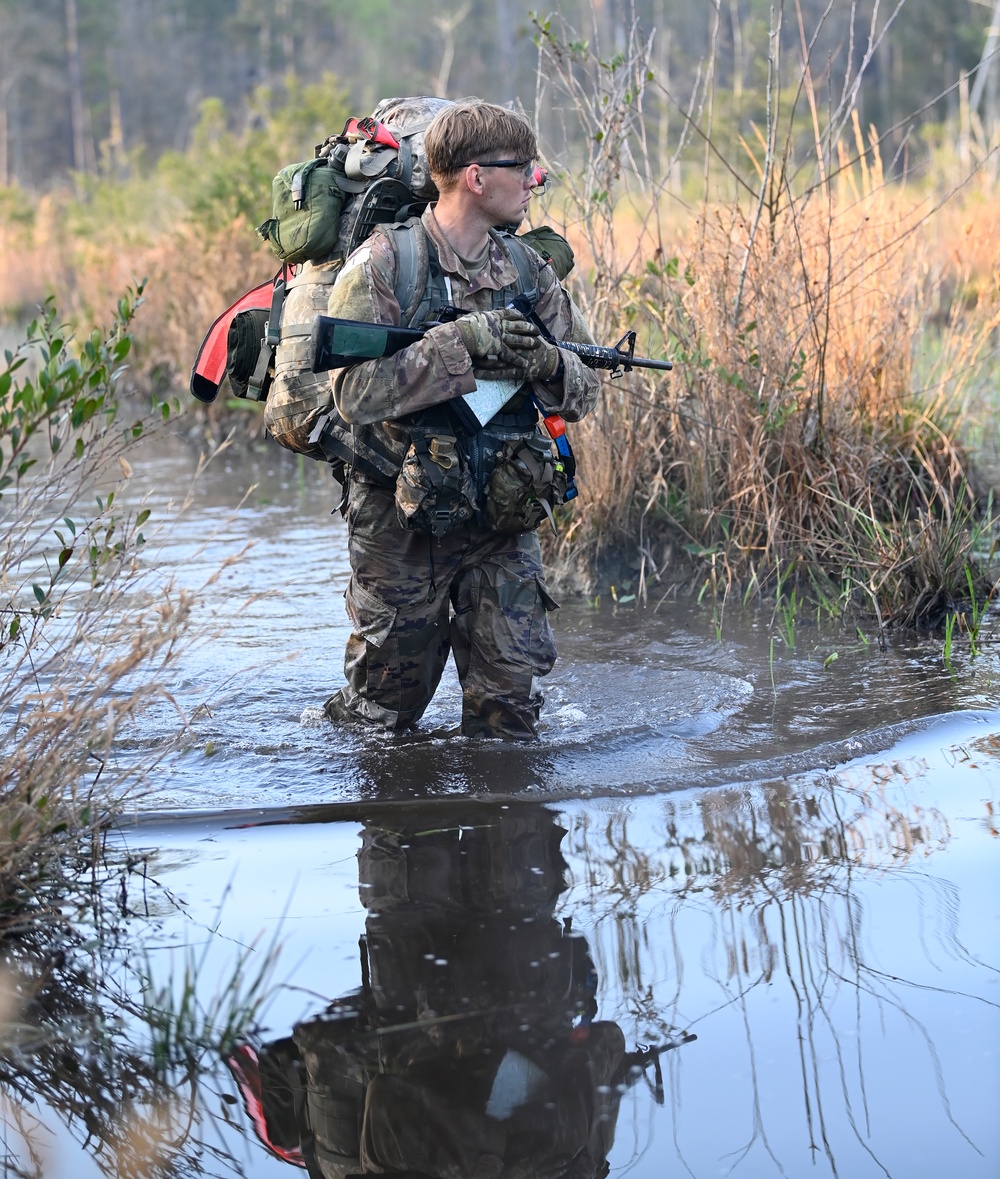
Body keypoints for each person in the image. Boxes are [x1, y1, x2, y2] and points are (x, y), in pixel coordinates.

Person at [323, 100, 601, 739]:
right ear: (476, 177)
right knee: (382, 721)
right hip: (402, 524)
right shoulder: (385, 266)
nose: (535, 181)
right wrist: (460, 345)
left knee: (509, 718)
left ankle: (506, 832)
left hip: (503, 518)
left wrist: (548, 361)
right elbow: (354, 395)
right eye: (521, 168)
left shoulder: (529, 270)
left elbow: (583, 392)